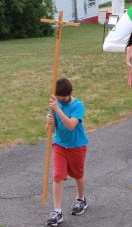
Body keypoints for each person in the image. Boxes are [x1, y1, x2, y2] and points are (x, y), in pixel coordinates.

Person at [45, 78, 89, 226]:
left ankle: (81, 199)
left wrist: (57, 109)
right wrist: (49, 121)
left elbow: (71, 125)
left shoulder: (78, 106)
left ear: (71, 93)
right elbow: (49, 129)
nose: (61, 100)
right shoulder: (54, 103)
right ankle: (57, 211)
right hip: (59, 145)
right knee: (58, 176)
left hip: (77, 145)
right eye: (59, 98)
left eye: (63, 98)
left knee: (78, 174)